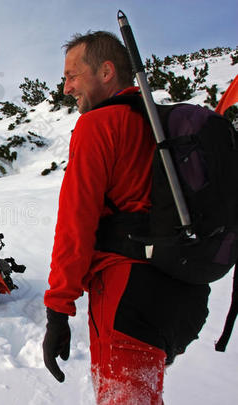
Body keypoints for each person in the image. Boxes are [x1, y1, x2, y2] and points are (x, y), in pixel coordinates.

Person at [42, 31, 210, 404]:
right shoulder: (159, 126)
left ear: (105, 71)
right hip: (182, 291)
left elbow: (76, 222)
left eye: (72, 75)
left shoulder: (97, 125)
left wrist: (58, 310)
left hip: (126, 293)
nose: (66, 87)